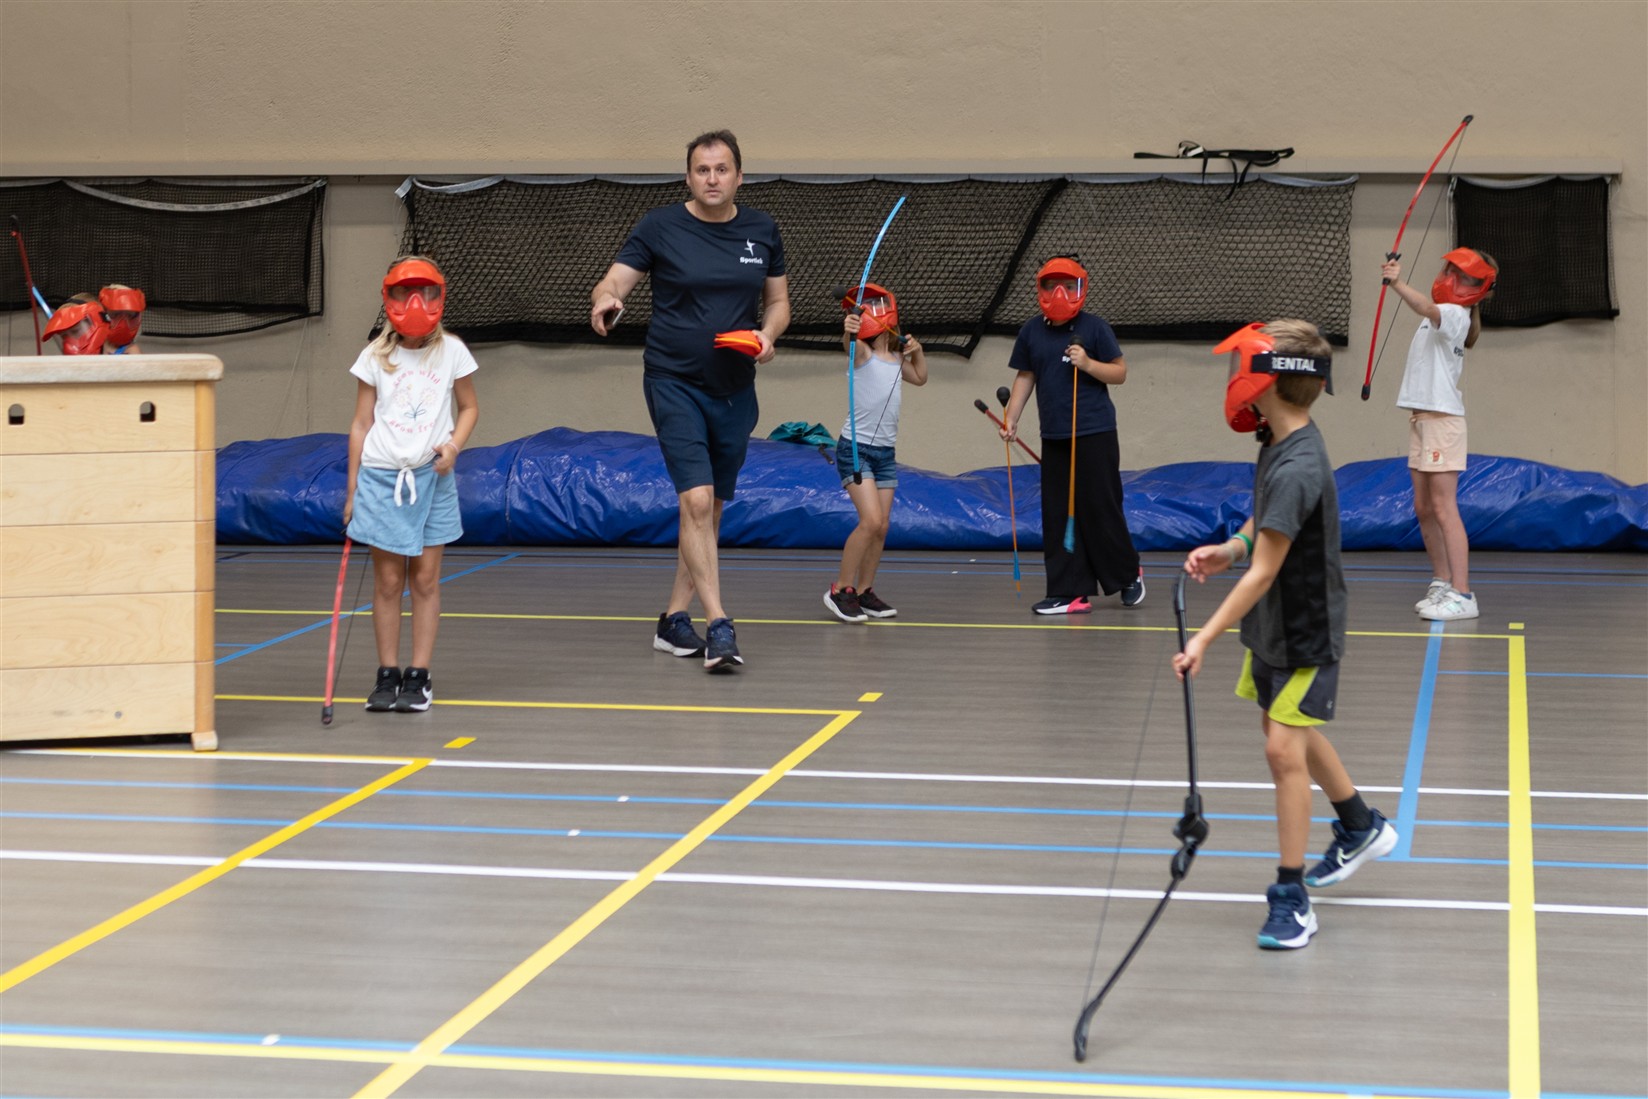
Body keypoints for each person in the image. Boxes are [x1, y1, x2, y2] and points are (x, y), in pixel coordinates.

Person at [1174, 319, 1398, 950]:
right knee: (1288, 731)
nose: (1233, 383)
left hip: (1304, 626)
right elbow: (1263, 525)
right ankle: (1358, 825)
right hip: (1275, 620)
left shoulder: (1300, 463)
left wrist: (1203, 638)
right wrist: (1233, 544)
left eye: (1240, 368)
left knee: (1281, 749)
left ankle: (1291, 896)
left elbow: (1265, 572)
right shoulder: (1278, 440)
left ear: (1268, 381)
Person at [589, 129, 790, 672]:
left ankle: (673, 618)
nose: (712, 179)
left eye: (722, 169)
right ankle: (719, 624)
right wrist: (607, 300)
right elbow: (614, 281)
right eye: (702, 170)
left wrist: (768, 335)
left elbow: (777, 302)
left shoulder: (761, 230)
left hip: (735, 389)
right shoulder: (660, 226)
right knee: (697, 502)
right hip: (673, 380)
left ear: (739, 176)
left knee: (709, 511)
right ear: (688, 177)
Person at [344, 256, 479, 713]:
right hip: (382, 478)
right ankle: (387, 674)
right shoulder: (374, 357)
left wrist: (453, 448)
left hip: (433, 480)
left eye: (424, 291)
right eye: (404, 292)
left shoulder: (453, 351)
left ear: (440, 297)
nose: (415, 302)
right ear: (389, 298)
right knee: (386, 582)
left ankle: (418, 675)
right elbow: (361, 425)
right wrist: (352, 491)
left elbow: (469, 409)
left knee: (424, 580)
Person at [1000, 255, 1144, 614]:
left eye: (1068, 284)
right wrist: (1011, 418)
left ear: (1082, 287)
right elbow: (1025, 376)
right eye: (1051, 285)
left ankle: (1127, 575)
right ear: (1041, 288)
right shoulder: (1031, 331)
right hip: (1055, 436)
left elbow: (1119, 373)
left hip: (1095, 433)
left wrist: (1088, 364)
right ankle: (1069, 591)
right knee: (1057, 512)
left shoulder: (1094, 329)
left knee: (1101, 508)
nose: (1060, 292)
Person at [1385, 248, 1499, 622]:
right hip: (1422, 420)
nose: (1451, 278)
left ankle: (1464, 594)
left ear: (1477, 287)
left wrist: (1397, 283)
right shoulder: (1443, 314)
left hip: (1442, 422)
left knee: (1444, 507)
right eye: (1449, 269)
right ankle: (1442, 580)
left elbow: (1426, 308)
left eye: (1461, 274)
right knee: (1423, 507)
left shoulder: (1455, 315)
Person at [825, 283, 927, 622]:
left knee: (882, 526)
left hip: (885, 453)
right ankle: (841, 589)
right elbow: (849, 346)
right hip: (855, 449)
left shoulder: (898, 359)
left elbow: (921, 377)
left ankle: (866, 592)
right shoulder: (863, 353)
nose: (867, 311)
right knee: (869, 521)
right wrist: (849, 331)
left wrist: (917, 352)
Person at [41, 296, 110, 356]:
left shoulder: (120, 357)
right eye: (64, 336)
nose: (69, 345)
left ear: (98, 321)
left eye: (75, 331)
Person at [99, 284, 146, 354]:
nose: (123, 324)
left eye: (130, 315)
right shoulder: (98, 343)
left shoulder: (132, 352)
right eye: (115, 314)